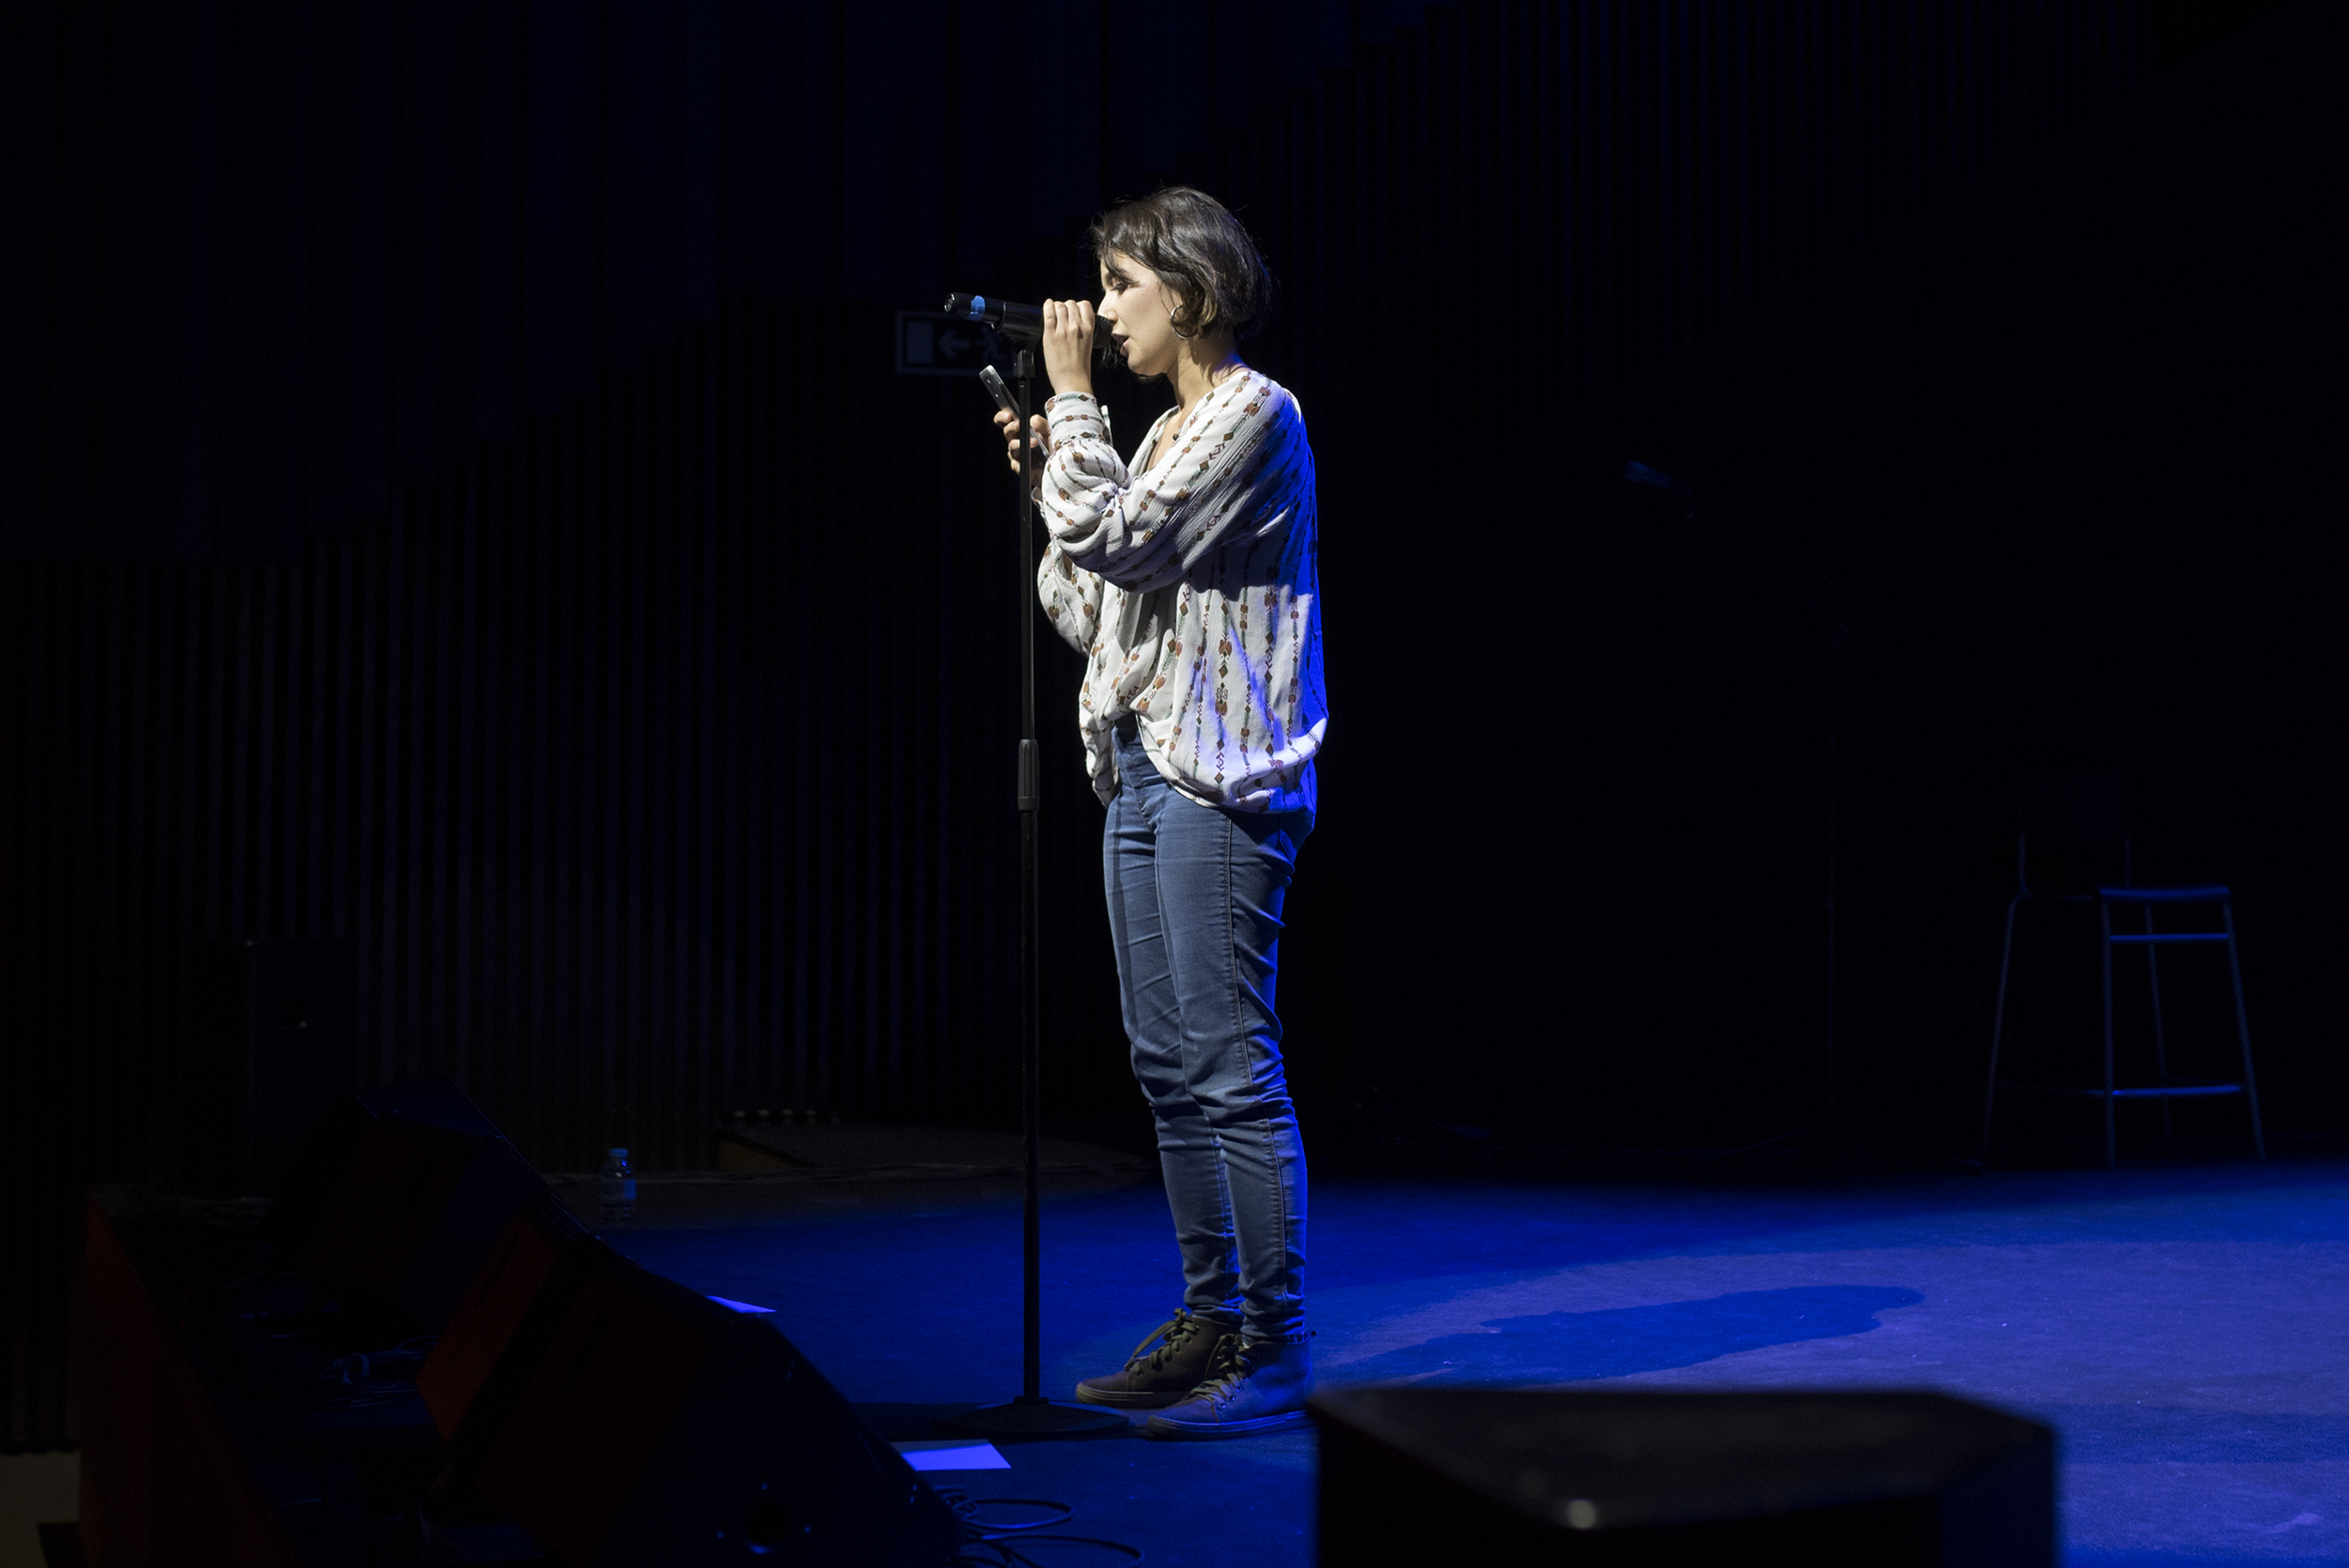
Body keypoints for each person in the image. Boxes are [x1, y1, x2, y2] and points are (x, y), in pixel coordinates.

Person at [992, 187, 1326, 1439]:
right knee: (1168, 1065)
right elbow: (1094, 608)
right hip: (1138, 762)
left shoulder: (1250, 412)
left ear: (1190, 291)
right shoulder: (1168, 436)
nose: (1103, 309)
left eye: (1122, 284)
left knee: (1230, 1068)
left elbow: (1122, 541)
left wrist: (1074, 406)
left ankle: (1273, 1344)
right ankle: (1206, 1322)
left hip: (1220, 775)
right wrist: (1053, 480)